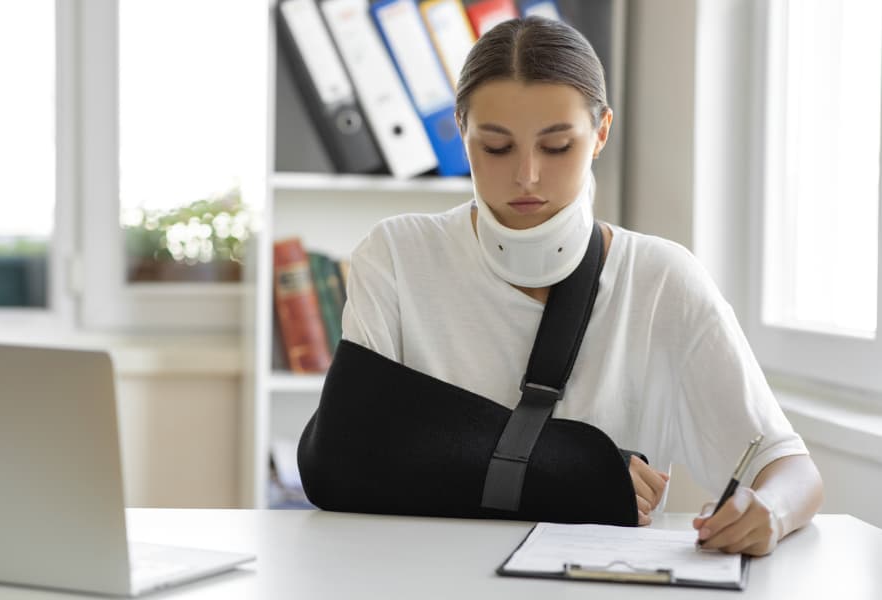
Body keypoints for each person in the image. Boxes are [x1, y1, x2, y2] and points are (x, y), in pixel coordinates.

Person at [340, 16, 823, 556]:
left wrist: (770, 513)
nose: (526, 175)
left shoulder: (661, 279)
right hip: (419, 575)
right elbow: (348, 458)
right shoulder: (396, 258)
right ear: (461, 129)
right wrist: (565, 473)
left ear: (601, 133)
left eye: (557, 146)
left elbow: (789, 468)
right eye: (497, 147)